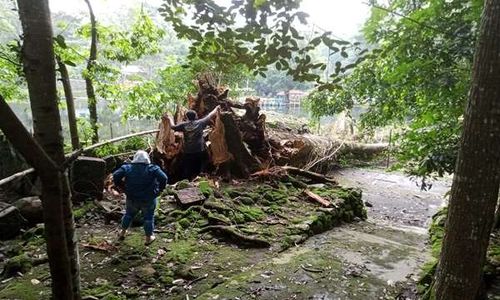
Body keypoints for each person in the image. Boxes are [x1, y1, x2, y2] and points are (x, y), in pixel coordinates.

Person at [113, 150, 168, 245]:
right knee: (148, 218)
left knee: (128, 214)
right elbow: (164, 178)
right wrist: (160, 190)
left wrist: (121, 186)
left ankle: (122, 232)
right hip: (149, 199)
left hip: (132, 198)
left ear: (135, 159)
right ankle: (148, 238)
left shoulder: (127, 168)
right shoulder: (153, 169)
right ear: (147, 159)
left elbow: (115, 175)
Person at [169, 105, 220, 180]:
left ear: (186, 117)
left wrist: (169, 118)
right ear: (195, 116)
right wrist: (216, 108)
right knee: (204, 159)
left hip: (188, 150)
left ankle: (187, 180)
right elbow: (210, 116)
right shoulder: (200, 123)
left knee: (188, 166)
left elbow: (173, 127)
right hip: (199, 149)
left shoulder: (183, 125)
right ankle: (200, 175)